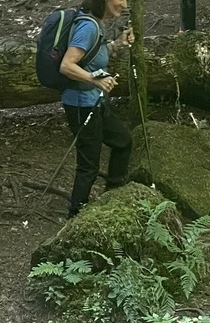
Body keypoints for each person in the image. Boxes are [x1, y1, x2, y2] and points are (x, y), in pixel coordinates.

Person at [58, 0, 135, 217]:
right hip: (81, 105)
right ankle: (75, 215)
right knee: (88, 165)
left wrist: (118, 43)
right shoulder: (88, 26)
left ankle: (112, 197)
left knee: (123, 141)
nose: (124, 3)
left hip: (95, 102)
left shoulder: (96, 23)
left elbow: (95, 57)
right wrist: (95, 79)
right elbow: (67, 65)